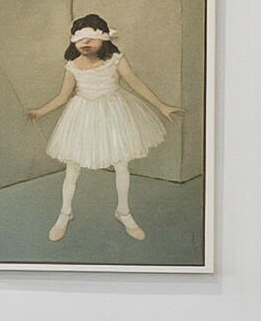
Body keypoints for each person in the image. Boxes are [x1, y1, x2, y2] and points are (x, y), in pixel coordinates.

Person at [26, 14, 180, 241]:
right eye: (80, 39)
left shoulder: (116, 60)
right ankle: (65, 213)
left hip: (114, 112)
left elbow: (135, 84)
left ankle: (123, 211)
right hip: (82, 115)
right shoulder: (72, 67)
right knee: (73, 167)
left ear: (104, 39)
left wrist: (161, 105)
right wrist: (39, 112)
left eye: (91, 38)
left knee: (121, 163)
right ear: (73, 42)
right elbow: (62, 97)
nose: (85, 43)